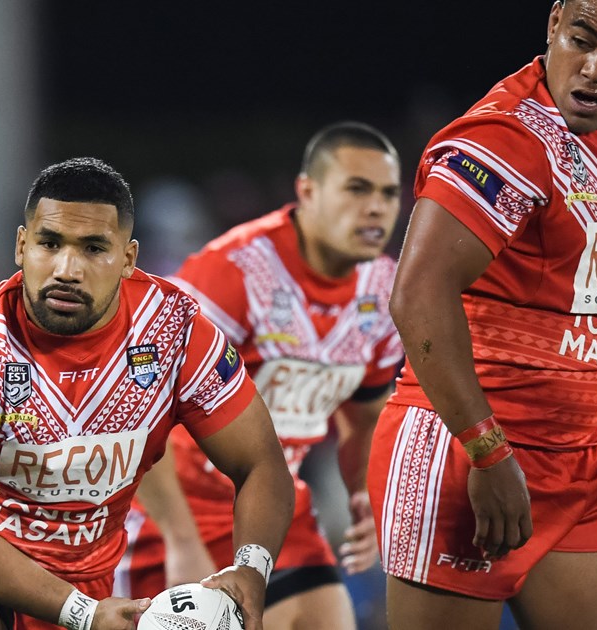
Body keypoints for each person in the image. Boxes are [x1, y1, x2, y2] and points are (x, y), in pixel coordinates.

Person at [0, 158, 294, 630]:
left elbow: (260, 463)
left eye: (94, 248)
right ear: (21, 246)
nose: (67, 269)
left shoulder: (174, 333)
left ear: (128, 259)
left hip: (85, 573)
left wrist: (252, 569)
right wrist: (83, 612)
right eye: (49, 244)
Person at [372, 0, 597, 627]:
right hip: (466, 450)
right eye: (582, 41)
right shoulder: (503, 141)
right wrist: (486, 450)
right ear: (554, 23)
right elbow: (417, 295)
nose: (595, 70)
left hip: (581, 459)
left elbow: (591, 305)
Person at [118, 122, 405, 630]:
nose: (376, 208)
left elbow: (365, 416)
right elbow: (134, 408)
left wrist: (363, 491)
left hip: (272, 507)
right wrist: (181, 540)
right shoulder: (234, 271)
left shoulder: (384, 289)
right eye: (357, 189)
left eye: (388, 193)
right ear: (308, 192)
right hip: (177, 508)